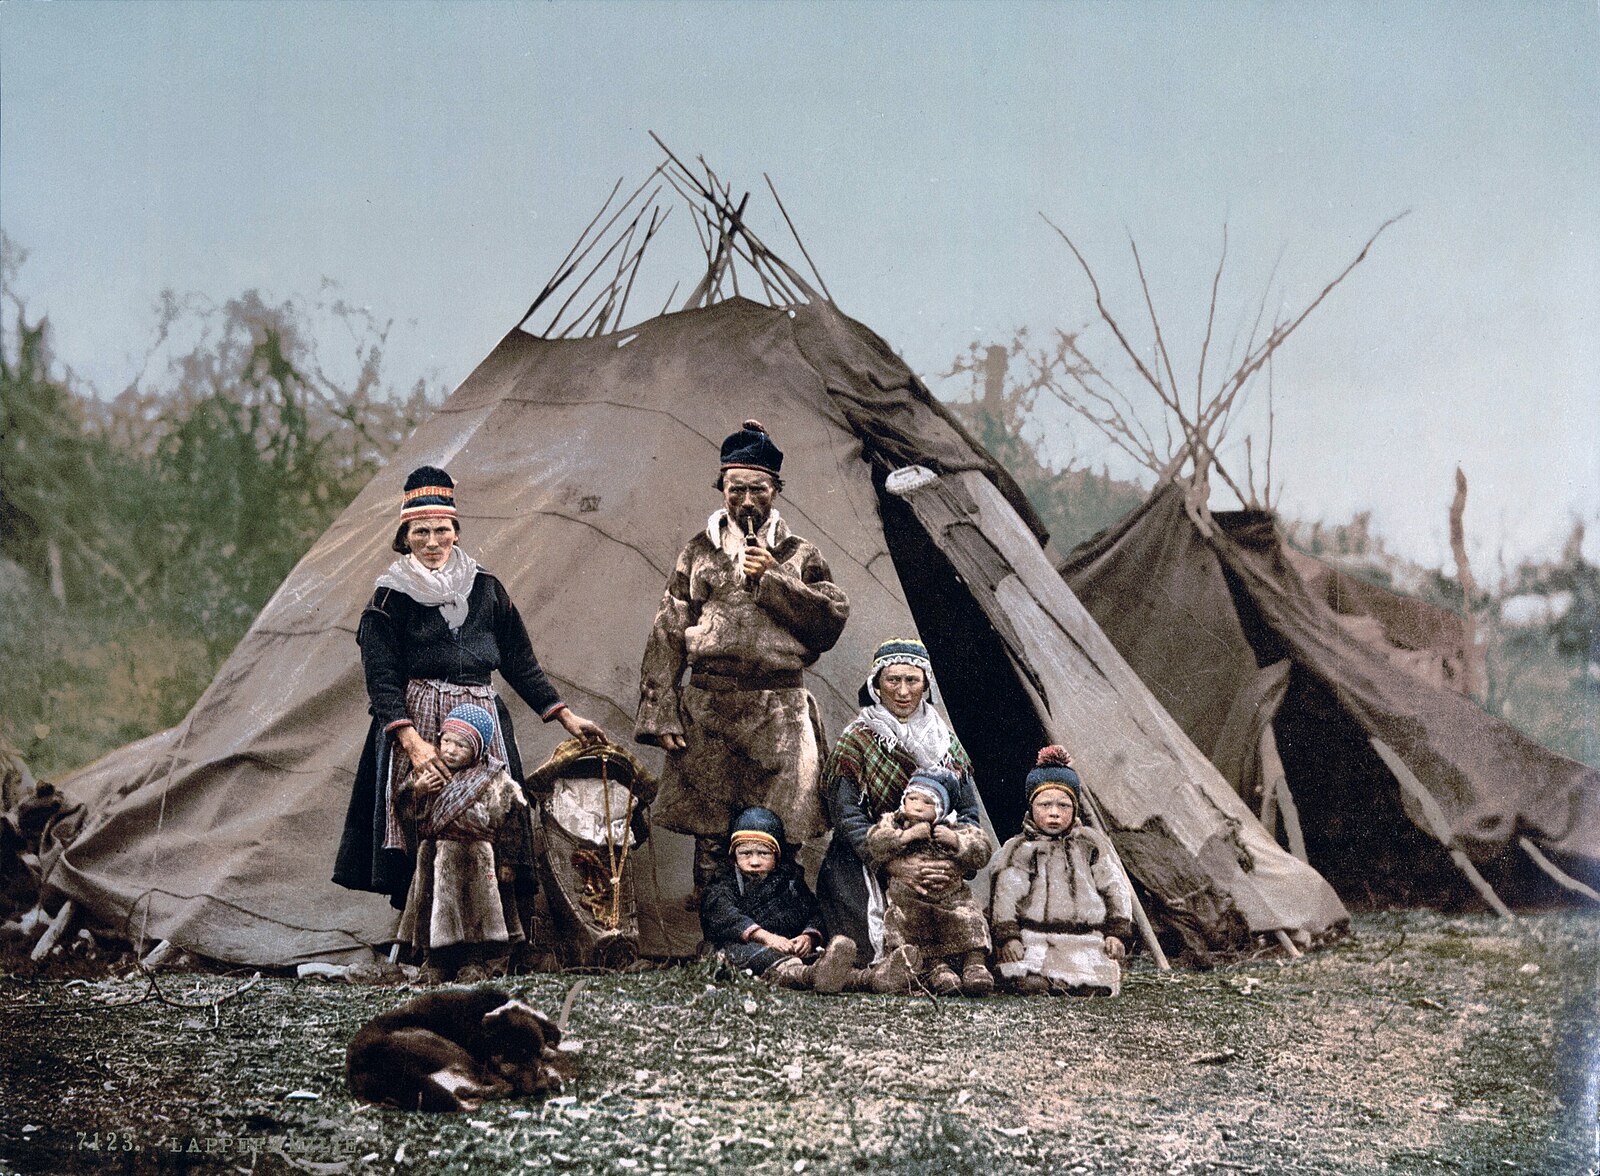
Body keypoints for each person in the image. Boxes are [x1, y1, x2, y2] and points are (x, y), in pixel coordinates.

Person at [334, 465, 605, 919]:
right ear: (406, 536)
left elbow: (519, 661)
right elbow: (381, 680)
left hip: (482, 721)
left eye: (442, 529)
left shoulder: (487, 589)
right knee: (423, 819)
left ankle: (492, 933)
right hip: (418, 723)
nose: (433, 541)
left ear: (456, 533)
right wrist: (413, 744)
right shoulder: (388, 598)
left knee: (494, 820)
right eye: (421, 532)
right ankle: (426, 937)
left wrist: (564, 715)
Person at [635, 420, 849, 902]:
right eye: (736, 489)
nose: (747, 501)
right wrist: (662, 710)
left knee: (780, 831)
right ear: (722, 489)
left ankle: (777, 927)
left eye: (759, 489)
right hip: (709, 706)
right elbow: (668, 630)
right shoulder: (698, 551)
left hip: (779, 709)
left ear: (776, 490)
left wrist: (775, 579)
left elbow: (829, 623)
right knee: (712, 831)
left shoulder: (800, 554)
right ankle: (719, 937)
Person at [816, 637, 984, 970]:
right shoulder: (856, 739)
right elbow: (846, 815)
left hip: (933, 860)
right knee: (869, 952)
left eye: (912, 680)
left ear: (926, 685)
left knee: (953, 940)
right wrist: (891, 863)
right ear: (877, 685)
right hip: (864, 860)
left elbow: (968, 813)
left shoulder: (946, 742)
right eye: (893, 680)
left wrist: (954, 863)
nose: (902, 691)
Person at [396, 703, 527, 983]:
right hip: (434, 855)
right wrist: (416, 792)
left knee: (475, 912)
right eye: (446, 741)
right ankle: (435, 963)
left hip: (476, 858)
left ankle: (473, 962)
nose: (450, 750)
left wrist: (507, 862)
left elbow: (512, 821)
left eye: (461, 745)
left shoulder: (494, 779)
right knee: (432, 909)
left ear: (478, 751)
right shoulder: (427, 772)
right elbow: (406, 812)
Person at [989, 746, 1134, 996]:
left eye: (1063, 806)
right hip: (1034, 936)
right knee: (1026, 972)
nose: (1054, 813)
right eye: (1045, 805)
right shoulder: (1021, 849)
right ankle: (1039, 980)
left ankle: (1078, 981)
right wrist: (1008, 936)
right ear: (1031, 808)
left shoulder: (1090, 844)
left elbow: (1114, 887)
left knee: (1093, 976)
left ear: (1075, 809)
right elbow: (1006, 893)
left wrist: (1117, 932)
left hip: (1085, 936)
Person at [862, 768, 995, 995]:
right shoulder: (893, 824)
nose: (917, 806)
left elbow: (982, 850)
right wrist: (906, 836)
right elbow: (874, 844)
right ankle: (936, 969)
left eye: (928, 802)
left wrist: (955, 841)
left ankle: (974, 964)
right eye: (912, 798)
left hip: (951, 897)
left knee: (969, 917)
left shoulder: (953, 828)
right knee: (911, 926)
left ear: (941, 809)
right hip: (912, 899)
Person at [698, 807, 859, 992]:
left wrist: (808, 937)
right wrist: (766, 938)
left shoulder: (789, 881)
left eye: (763, 853)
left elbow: (813, 912)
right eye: (745, 854)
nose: (754, 861)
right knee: (750, 956)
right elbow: (724, 914)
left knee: (821, 957)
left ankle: (871, 978)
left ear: (776, 856)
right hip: (745, 948)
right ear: (734, 856)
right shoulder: (723, 884)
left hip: (786, 947)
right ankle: (811, 977)